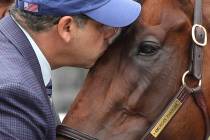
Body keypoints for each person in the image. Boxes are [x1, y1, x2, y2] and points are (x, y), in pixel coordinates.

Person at [0, 0, 141, 139]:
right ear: (67, 27)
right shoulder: (14, 93)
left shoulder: (11, 51)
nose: (112, 33)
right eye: (102, 25)